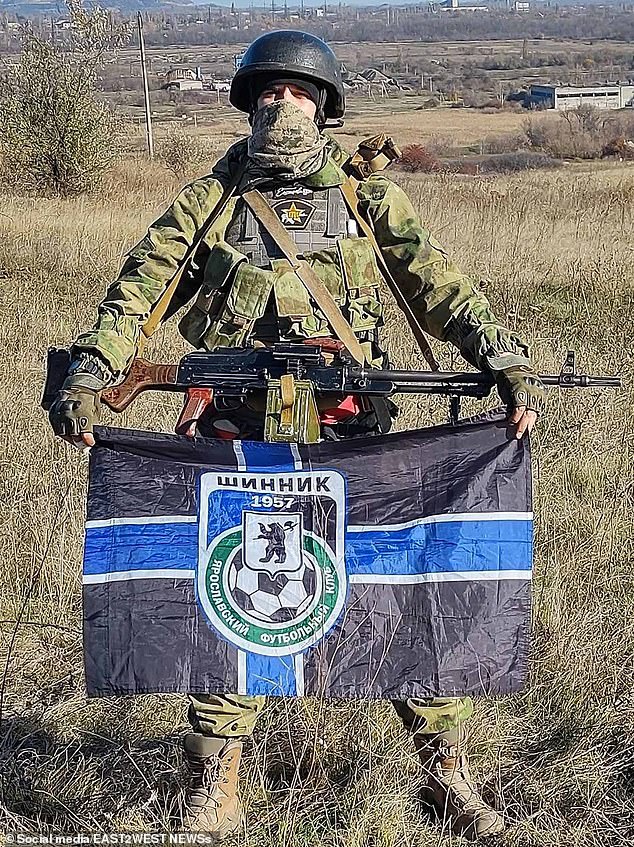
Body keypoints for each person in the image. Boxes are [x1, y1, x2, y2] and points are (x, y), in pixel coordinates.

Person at [48, 30, 545, 841]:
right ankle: (214, 785)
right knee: (232, 602)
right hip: (241, 442)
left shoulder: (366, 199)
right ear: (248, 104)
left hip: (355, 444)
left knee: (399, 598)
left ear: (327, 104)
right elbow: (140, 284)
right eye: (268, 92)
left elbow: (440, 283)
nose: (283, 102)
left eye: (300, 91)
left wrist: (504, 361)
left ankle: (446, 777)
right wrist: (90, 370)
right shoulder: (210, 197)